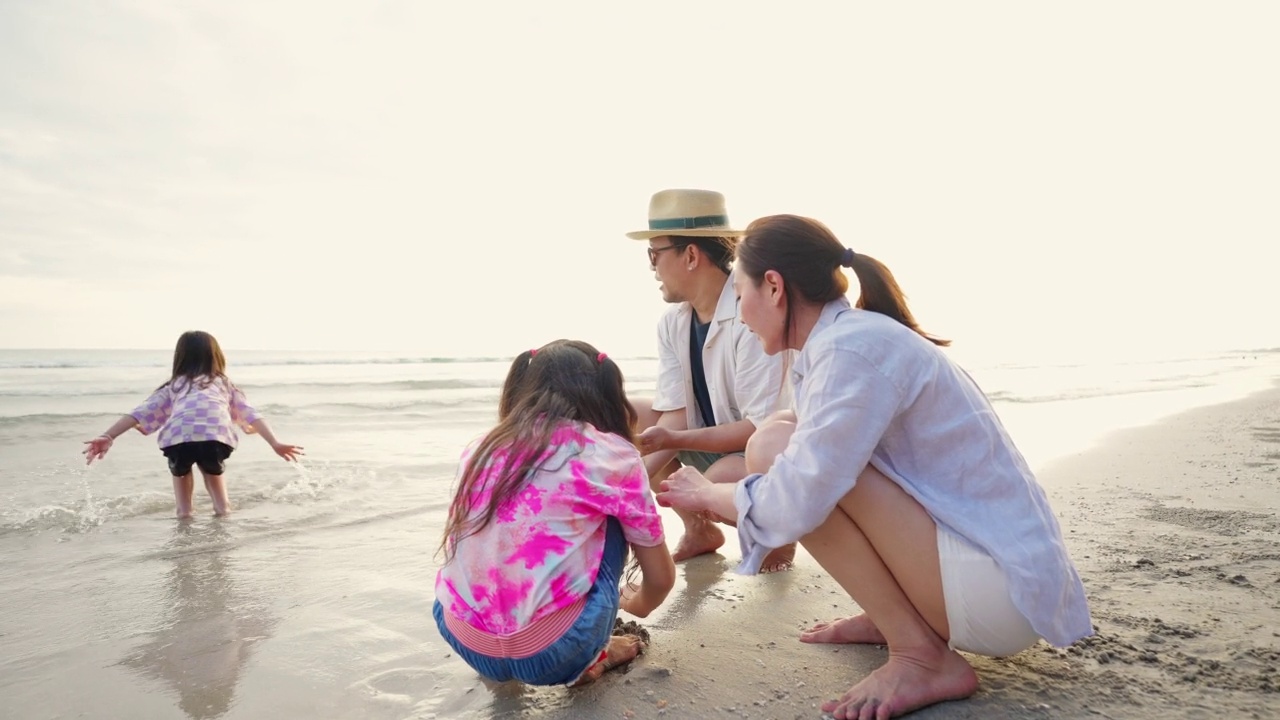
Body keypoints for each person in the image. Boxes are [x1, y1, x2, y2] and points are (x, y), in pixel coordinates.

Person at [656, 215, 1092, 719]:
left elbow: (797, 497)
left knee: (775, 449)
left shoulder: (850, 348)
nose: (739, 313)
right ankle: (897, 620)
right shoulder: (845, 341)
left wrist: (707, 496)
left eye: (739, 293)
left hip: (996, 593)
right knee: (778, 433)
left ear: (773, 286)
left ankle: (921, 654)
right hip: (985, 576)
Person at [433, 340, 676, 687]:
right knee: (612, 517)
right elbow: (661, 579)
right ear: (605, 394)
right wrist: (640, 604)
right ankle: (592, 657)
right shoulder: (614, 455)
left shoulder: (481, 448)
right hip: (555, 652)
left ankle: (500, 647)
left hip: (464, 638)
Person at [625, 188, 792, 572]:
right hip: (712, 438)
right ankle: (699, 531)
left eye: (654, 253)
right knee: (625, 415)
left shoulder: (751, 311)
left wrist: (669, 445)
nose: (651, 267)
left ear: (691, 255)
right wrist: (628, 478)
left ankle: (779, 539)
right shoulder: (673, 322)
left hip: (765, 450)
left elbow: (759, 427)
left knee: (718, 479)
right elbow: (675, 415)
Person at [82, 331, 302, 519]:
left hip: (178, 440)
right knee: (214, 479)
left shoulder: (174, 386)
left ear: (180, 358)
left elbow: (139, 413)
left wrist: (108, 435)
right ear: (216, 356)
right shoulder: (224, 384)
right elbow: (251, 414)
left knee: (182, 477)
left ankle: (184, 512)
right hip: (215, 439)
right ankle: (222, 509)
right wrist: (275, 442)